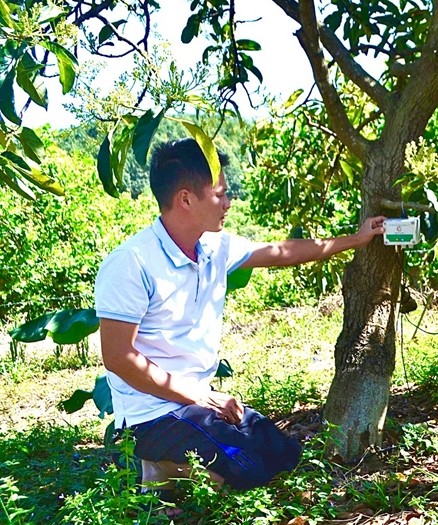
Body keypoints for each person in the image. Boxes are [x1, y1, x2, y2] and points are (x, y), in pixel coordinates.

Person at [95, 138, 386, 492]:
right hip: (152, 415)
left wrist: (354, 240)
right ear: (186, 199)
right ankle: (149, 468)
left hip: (198, 402)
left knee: (286, 457)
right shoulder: (132, 263)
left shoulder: (214, 246)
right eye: (220, 195)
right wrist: (200, 396)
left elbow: (281, 252)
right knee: (250, 472)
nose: (228, 203)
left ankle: (182, 467)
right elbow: (119, 358)